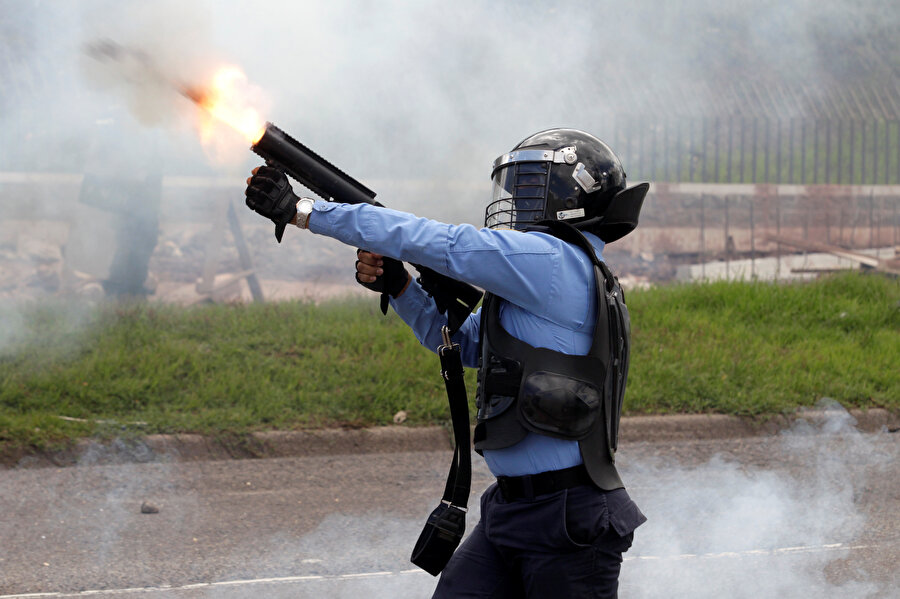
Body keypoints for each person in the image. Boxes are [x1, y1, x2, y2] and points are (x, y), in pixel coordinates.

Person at [245, 128, 649, 598]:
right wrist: (400, 288)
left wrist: (304, 212)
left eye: (531, 187)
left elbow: (444, 244)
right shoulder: (544, 274)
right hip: (511, 509)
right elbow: (471, 345)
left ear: (573, 196)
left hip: (568, 519)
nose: (516, 200)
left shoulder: (555, 260)